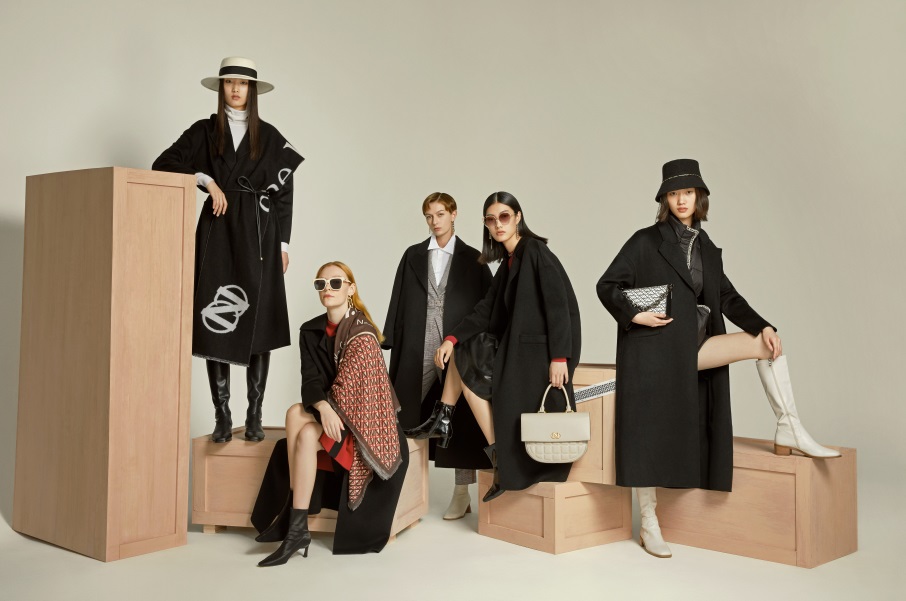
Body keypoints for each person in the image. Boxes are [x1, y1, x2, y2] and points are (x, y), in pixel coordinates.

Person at [596, 158, 840, 559]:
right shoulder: (644, 240)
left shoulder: (707, 248)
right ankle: (649, 522)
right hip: (653, 352)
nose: (681, 200)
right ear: (664, 199)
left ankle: (789, 428)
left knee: (766, 345)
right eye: (674, 193)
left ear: (699, 197)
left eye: (688, 192)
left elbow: (727, 297)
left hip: (694, 347)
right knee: (646, 434)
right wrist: (635, 314)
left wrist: (764, 325)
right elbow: (607, 285)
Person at [153, 57, 304, 443]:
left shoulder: (269, 136)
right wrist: (206, 181)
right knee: (215, 317)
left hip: (260, 233)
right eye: (229, 82)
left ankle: (254, 415)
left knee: (259, 321)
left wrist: (283, 244)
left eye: (243, 83)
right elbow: (163, 163)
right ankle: (222, 415)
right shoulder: (204, 131)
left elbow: (284, 194)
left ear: (252, 90)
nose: (236, 89)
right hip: (218, 230)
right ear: (221, 88)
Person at [408, 191, 581, 502]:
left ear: (517, 217)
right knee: (463, 352)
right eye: (491, 219)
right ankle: (472, 437)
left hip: (538, 353)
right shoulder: (508, 262)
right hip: (517, 349)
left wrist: (559, 357)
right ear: (486, 225)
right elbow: (485, 310)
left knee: (466, 359)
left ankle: (444, 420)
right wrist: (451, 339)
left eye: (504, 216)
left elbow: (559, 306)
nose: (498, 224)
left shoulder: (534, 251)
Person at [251, 261, 408, 566]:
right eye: (321, 284)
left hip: (364, 422)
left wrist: (327, 408)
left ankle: (294, 520)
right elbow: (310, 381)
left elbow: (357, 394)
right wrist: (323, 407)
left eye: (336, 283)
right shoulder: (310, 331)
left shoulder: (363, 334)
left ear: (350, 289)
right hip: (331, 414)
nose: (328, 289)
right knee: (301, 424)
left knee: (300, 422)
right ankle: (298, 528)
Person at [384, 192, 493, 520]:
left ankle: (461, 494)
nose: (435, 221)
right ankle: (400, 488)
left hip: (456, 343)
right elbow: (399, 297)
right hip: (416, 340)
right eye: (429, 216)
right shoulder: (413, 255)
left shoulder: (474, 259)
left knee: (458, 418)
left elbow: (487, 306)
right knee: (403, 411)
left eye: (440, 214)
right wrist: (391, 338)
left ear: (453, 214)